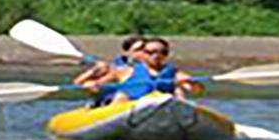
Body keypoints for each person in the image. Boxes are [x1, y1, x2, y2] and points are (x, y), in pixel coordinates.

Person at [73, 36, 202, 107]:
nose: (157, 56)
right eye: (151, 52)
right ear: (143, 54)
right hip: (128, 108)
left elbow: (196, 90)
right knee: (121, 95)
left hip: (159, 106)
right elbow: (96, 87)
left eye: (162, 52)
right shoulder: (124, 71)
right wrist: (91, 85)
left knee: (178, 91)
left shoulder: (173, 72)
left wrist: (191, 83)